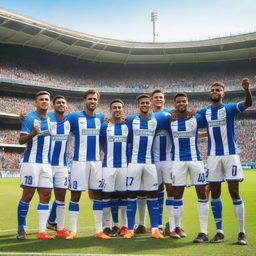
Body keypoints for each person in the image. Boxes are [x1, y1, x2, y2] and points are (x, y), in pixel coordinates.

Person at [198, 78, 252, 245]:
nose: (215, 92)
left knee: (234, 192)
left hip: (231, 155)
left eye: (218, 90)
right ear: (210, 93)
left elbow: (247, 103)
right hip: (213, 157)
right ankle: (219, 231)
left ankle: (242, 233)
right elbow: (191, 120)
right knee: (215, 193)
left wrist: (246, 89)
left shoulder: (229, 108)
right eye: (213, 90)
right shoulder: (204, 112)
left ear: (223, 93)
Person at [124, 94, 170, 239]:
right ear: (138, 105)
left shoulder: (157, 120)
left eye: (147, 103)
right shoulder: (131, 120)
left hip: (150, 164)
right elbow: (124, 133)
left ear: (150, 104)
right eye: (142, 103)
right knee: (132, 195)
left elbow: (173, 117)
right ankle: (131, 229)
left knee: (152, 195)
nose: (145, 105)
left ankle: (155, 229)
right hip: (134, 163)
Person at [66, 89, 110, 240]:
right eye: (90, 99)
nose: (93, 101)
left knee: (98, 195)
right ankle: (73, 230)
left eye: (95, 99)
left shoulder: (102, 119)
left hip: (96, 162)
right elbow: (57, 119)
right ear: (85, 100)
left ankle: (99, 230)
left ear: (98, 102)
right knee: (75, 195)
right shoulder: (74, 117)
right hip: (79, 162)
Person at [169, 92, 209, 242]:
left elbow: (208, 109)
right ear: (174, 104)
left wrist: (197, 110)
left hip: (196, 161)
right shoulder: (169, 119)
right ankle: (177, 227)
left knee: (202, 193)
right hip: (178, 162)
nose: (181, 104)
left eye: (183, 101)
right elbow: (160, 113)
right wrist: (171, 112)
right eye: (178, 102)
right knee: (177, 194)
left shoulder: (195, 118)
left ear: (187, 103)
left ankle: (203, 232)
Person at [17, 91, 54, 240]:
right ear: (36, 102)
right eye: (41, 99)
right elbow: (21, 141)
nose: (44, 101)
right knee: (28, 195)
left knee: (46, 195)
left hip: (46, 164)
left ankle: (41, 231)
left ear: (49, 102)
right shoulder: (29, 118)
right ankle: (21, 228)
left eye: (46, 99)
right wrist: (33, 133)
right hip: (31, 162)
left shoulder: (52, 118)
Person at [100, 99, 128, 237]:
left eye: (119, 107)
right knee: (107, 195)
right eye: (115, 107)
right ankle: (106, 226)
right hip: (108, 166)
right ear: (111, 110)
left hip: (124, 166)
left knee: (123, 195)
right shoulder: (105, 126)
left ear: (123, 110)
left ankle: (124, 226)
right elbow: (101, 142)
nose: (117, 110)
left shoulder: (126, 126)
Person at [46, 95, 71, 238]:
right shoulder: (47, 118)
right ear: (53, 105)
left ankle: (59, 227)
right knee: (44, 196)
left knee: (61, 196)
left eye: (63, 102)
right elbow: (32, 120)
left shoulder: (70, 121)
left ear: (66, 106)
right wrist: (22, 117)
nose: (61, 104)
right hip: (46, 164)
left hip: (62, 165)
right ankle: (27, 226)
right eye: (58, 102)